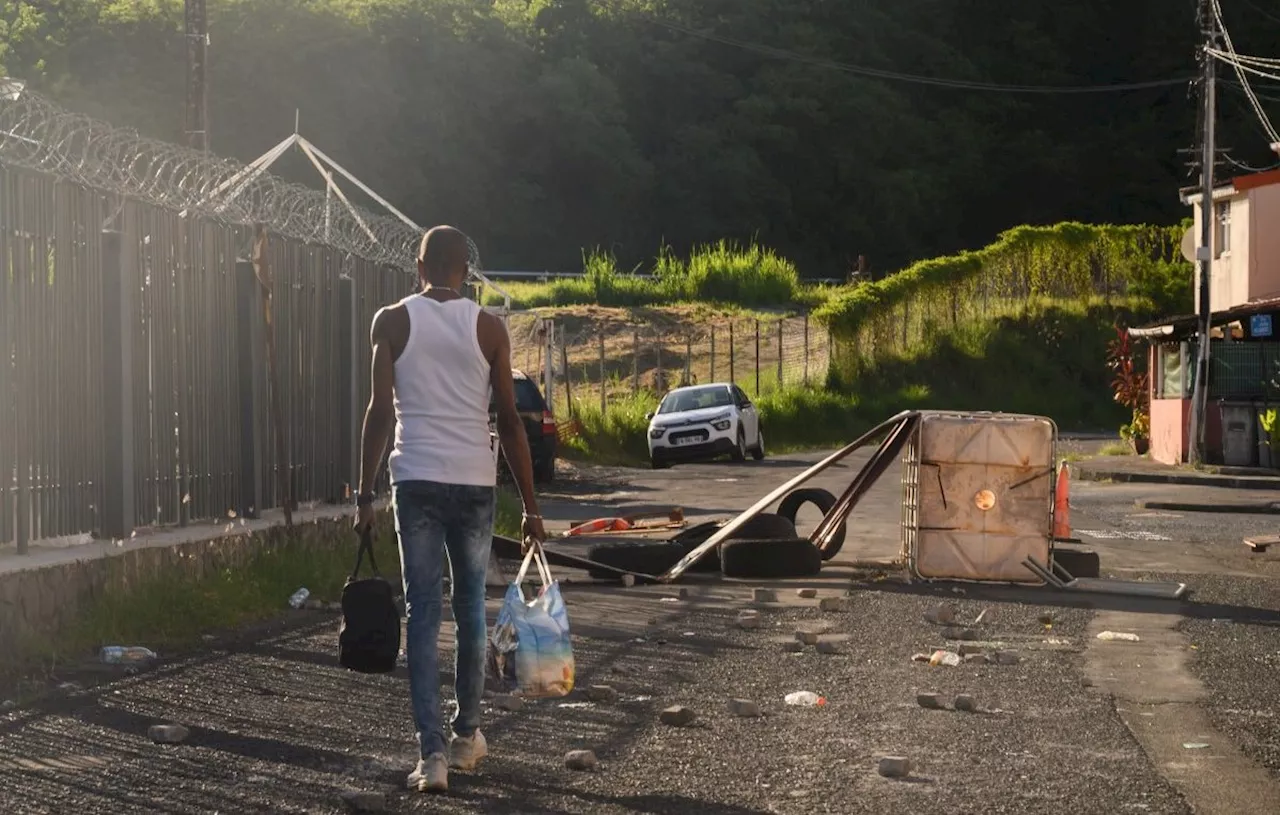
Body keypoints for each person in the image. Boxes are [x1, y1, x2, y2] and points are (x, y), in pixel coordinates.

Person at [354, 225, 545, 794]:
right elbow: (509, 421)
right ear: (466, 270)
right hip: (473, 481)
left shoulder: (390, 321)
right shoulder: (489, 328)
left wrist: (363, 495)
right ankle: (467, 735)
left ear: (419, 267)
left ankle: (431, 755)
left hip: (415, 478)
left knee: (422, 611)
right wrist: (532, 508)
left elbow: (378, 412)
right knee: (469, 611)